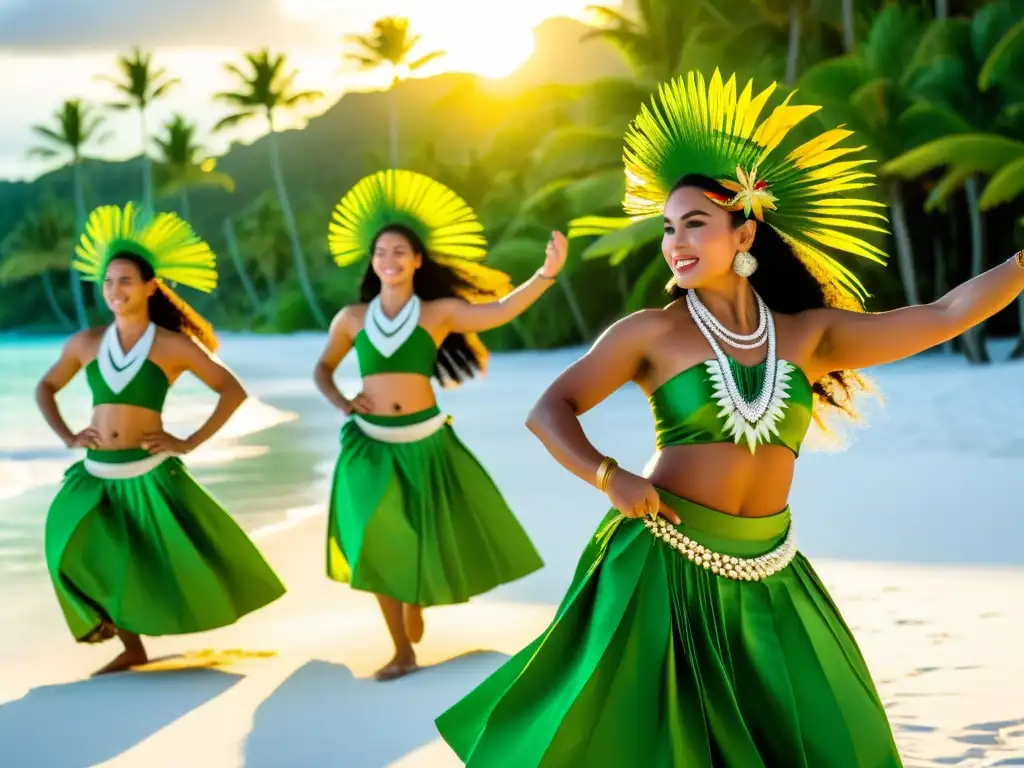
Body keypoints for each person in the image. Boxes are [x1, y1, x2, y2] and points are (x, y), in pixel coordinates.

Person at [435, 69, 1024, 766]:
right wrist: (607, 475)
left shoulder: (808, 335)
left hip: (771, 572)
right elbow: (549, 410)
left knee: (832, 740)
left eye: (695, 224)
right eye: (667, 228)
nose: (675, 241)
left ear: (744, 229)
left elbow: (946, 314)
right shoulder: (650, 332)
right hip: (664, 566)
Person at [314, 169, 566, 681]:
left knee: (422, 534)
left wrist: (546, 275)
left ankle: (414, 601)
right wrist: (343, 401)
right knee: (373, 539)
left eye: (399, 252)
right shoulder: (351, 318)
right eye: (381, 252)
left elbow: (499, 311)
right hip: (368, 445)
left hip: (425, 442)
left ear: (417, 260)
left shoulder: (439, 312)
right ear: (372, 262)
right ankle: (401, 650)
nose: (390, 260)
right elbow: (322, 369)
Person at [38, 203, 286, 676]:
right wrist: (68, 434)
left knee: (157, 560)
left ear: (151, 286)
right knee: (63, 546)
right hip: (95, 474)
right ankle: (130, 644)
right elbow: (45, 387)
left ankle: (138, 646)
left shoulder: (172, 345)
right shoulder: (86, 342)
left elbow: (231, 390)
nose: (115, 290)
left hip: (147, 472)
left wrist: (189, 441)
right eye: (108, 281)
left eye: (126, 280)